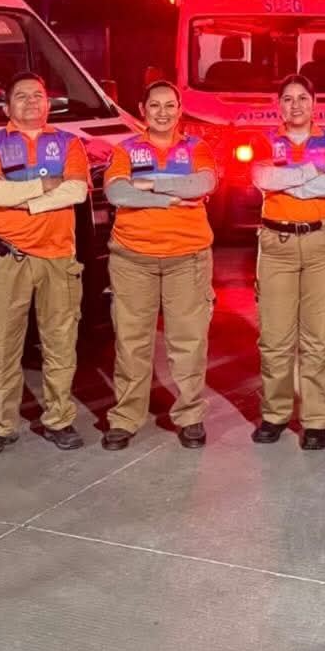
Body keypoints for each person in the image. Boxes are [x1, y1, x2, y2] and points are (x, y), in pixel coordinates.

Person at [0, 72, 90, 456]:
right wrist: (46, 186)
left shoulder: (69, 142)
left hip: (58, 257)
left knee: (60, 343)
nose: (31, 102)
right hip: (9, 258)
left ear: (48, 103)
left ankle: (59, 419)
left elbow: (77, 190)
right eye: (21, 96)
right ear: (7, 107)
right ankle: (1, 425)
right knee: (2, 344)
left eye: (38, 95)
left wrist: (25, 203)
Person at [102, 80, 217, 449]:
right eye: (155, 105)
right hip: (132, 259)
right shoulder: (125, 149)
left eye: (170, 105)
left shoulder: (197, 148)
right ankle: (125, 418)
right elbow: (117, 192)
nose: (162, 112)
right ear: (142, 109)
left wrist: (146, 185)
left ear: (180, 110)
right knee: (131, 342)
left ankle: (190, 416)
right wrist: (170, 197)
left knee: (188, 340)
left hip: (188, 259)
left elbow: (202, 183)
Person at [249, 75, 325, 450]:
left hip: (324, 244)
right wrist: (310, 173)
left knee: (318, 339)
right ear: (278, 105)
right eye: (288, 99)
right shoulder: (264, 140)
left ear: (314, 103)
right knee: (275, 339)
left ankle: (315, 421)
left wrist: (286, 183)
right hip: (276, 246)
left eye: (303, 98)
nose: (296, 105)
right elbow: (262, 176)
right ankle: (275, 414)